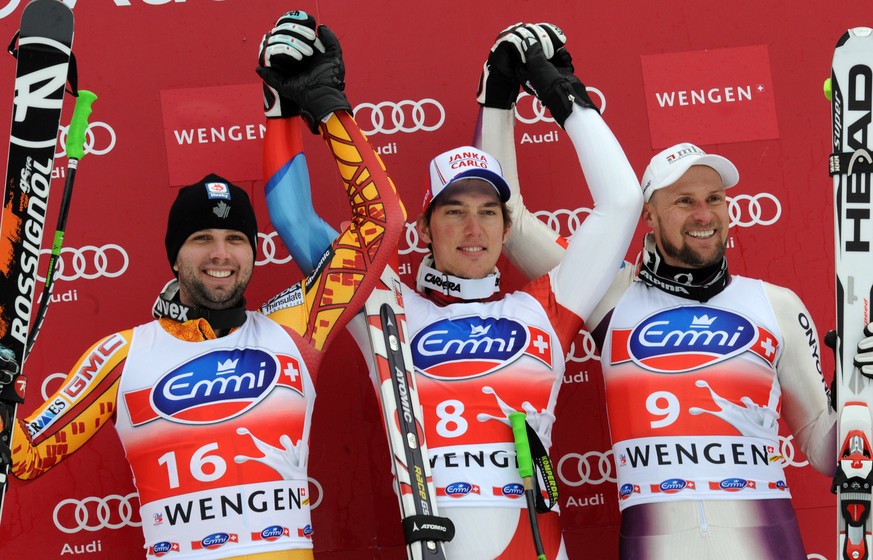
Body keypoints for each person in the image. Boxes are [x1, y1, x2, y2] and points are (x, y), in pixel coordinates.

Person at [4, 15, 404, 560]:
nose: (221, 254)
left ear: (253, 251)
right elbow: (24, 458)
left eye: (236, 238)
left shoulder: (294, 330)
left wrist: (329, 106)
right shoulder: (121, 356)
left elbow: (382, 225)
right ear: (174, 256)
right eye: (201, 239)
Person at [261, 21, 643, 559]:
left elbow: (623, 203)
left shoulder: (545, 309)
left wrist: (565, 95)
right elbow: (296, 219)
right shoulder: (384, 307)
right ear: (422, 229)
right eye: (455, 211)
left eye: (489, 212)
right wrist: (283, 111)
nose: (474, 228)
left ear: (507, 229)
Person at [503, 140, 839, 558]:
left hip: (767, 543)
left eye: (714, 198)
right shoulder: (608, 293)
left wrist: (862, 389)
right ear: (648, 216)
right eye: (684, 201)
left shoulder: (776, 304)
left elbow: (829, 452)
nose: (704, 214)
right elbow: (511, 223)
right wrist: (498, 99)